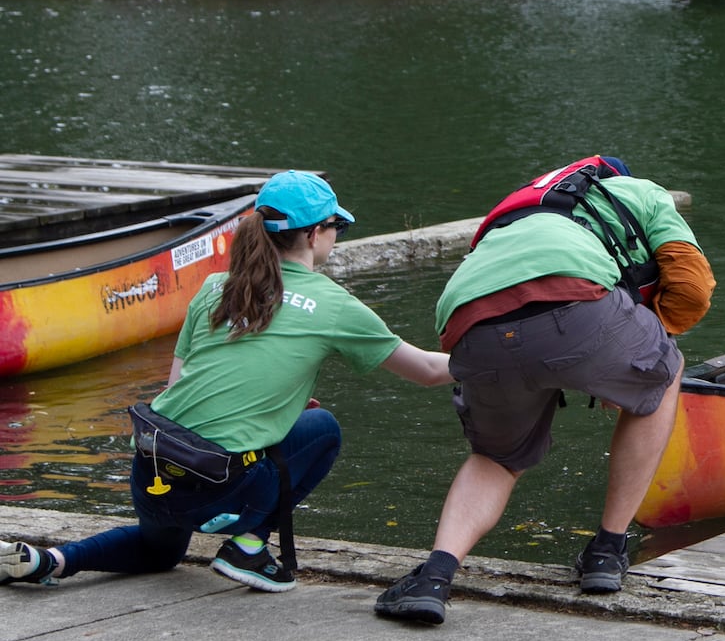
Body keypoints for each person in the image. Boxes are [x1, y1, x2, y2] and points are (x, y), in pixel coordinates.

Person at [0, 171, 454, 594]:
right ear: (316, 233)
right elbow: (430, 371)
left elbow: (177, 387)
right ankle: (250, 546)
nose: (336, 237)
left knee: (161, 551)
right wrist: (510, 357)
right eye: (338, 227)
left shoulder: (215, 287)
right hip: (217, 484)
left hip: (154, 468)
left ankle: (51, 560)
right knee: (321, 429)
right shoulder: (333, 305)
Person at [374, 155, 714, 625]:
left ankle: (434, 577)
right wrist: (640, 359)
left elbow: (510, 292)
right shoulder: (640, 193)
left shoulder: (517, 211)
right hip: (574, 301)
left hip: (468, 323)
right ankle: (607, 551)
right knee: (666, 370)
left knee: (496, 456)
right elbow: (693, 289)